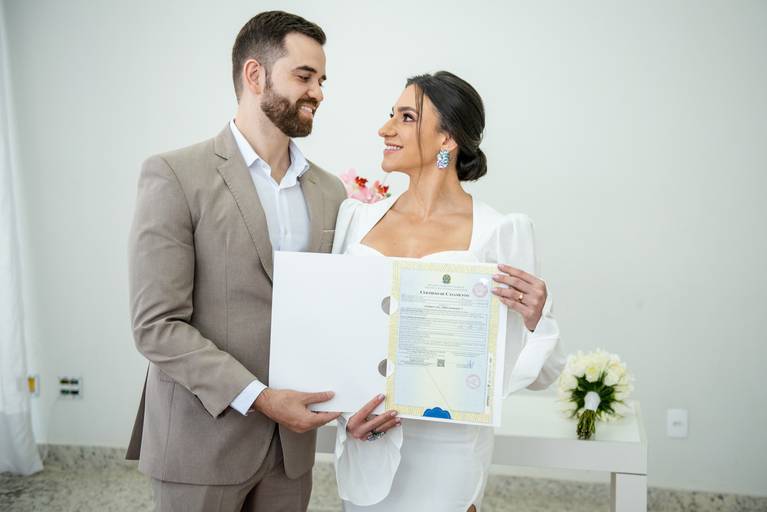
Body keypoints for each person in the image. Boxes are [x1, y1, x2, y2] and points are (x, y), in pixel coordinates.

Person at [125, 11, 346, 511]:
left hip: (291, 455)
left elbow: (336, 310)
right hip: (200, 443)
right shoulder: (175, 175)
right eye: (305, 76)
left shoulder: (331, 191)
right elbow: (156, 326)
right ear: (254, 75)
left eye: (322, 80)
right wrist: (262, 398)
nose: (318, 92)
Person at [330, 71, 565, 511]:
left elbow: (545, 372)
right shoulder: (355, 220)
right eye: (391, 114)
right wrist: (345, 416)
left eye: (406, 117)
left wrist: (536, 318)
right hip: (366, 441)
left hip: (448, 456)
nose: (384, 129)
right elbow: (335, 334)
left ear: (447, 138)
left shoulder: (500, 232)